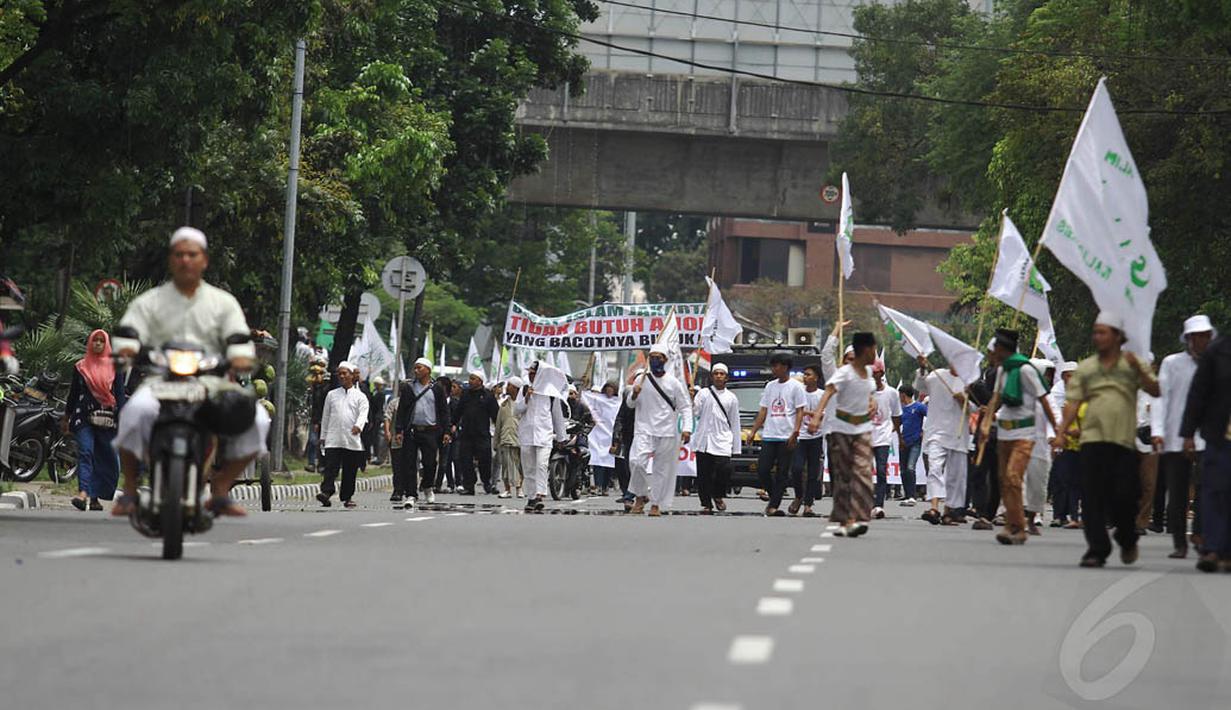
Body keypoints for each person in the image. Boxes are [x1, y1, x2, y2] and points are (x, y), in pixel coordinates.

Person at [111, 227, 268, 518]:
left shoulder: (223, 303)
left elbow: (238, 337)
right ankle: (130, 489)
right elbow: (129, 330)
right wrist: (126, 349)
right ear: (171, 260)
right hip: (161, 380)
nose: (186, 260)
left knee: (258, 419)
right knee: (133, 413)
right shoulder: (150, 301)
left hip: (212, 382)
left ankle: (221, 488)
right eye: (179, 254)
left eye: (192, 255)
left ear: (204, 260)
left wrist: (241, 358)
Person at [1055, 312, 1160, 567]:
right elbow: (1073, 402)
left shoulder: (1132, 364)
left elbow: (1156, 390)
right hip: (1092, 441)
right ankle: (1096, 549)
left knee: (1125, 496)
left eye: (1103, 332)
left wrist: (1140, 371)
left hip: (1123, 442)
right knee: (1092, 496)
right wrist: (1061, 432)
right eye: (1095, 332)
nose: (1097, 337)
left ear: (1117, 336)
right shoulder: (1088, 368)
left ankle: (1127, 537)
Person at [978, 329, 1057, 545]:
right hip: (1004, 432)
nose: (991, 354)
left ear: (1002, 350)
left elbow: (1045, 401)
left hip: (1025, 433)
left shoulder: (1026, 371)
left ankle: (1018, 527)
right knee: (1005, 481)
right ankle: (1012, 525)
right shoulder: (1002, 371)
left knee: (1013, 476)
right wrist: (986, 424)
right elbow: (995, 398)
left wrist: (1057, 430)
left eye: (994, 350)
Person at [1153, 315, 1214, 559]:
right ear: (1188, 339)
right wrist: (1157, 431)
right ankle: (1180, 542)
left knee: (1205, 489)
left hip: (1207, 438)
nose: (1203, 341)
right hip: (1175, 438)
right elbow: (1160, 398)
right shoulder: (1172, 363)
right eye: (1198, 336)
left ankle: (1199, 534)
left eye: (1206, 336)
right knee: (1177, 495)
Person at [810, 331, 878, 537]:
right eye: (874, 349)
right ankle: (845, 519)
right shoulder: (844, 373)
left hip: (863, 429)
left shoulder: (868, 373)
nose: (875, 353)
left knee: (863, 472)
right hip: (841, 429)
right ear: (865, 350)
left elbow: (870, 395)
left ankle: (859, 517)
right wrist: (816, 417)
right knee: (844, 476)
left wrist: (872, 403)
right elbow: (828, 392)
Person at [1179, 321, 1231, 572]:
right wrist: (1188, 433)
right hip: (1221, 435)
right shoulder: (1218, 351)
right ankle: (1211, 548)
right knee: (1214, 490)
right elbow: (1198, 393)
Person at [63, 329, 126, 511]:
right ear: (90, 343)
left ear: (106, 344)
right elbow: (73, 394)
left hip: (108, 418)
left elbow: (120, 395)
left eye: (101, 341)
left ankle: (95, 497)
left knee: (107, 458)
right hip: (83, 417)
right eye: (95, 341)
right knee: (86, 452)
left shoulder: (116, 367)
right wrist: (66, 417)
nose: (97, 344)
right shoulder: (80, 367)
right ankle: (83, 494)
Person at [627, 344, 693, 516]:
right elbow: (630, 404)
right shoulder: (641, 379)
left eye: (659, 357)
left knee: (661, 471)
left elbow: (685, 407)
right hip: (643, 428)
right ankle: (641, 494)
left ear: (665, 360)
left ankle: (656, 503)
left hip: (667, 431)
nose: (655, 360)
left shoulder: (674, 383)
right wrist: (634, 393)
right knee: (636, 462)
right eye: (652, 356)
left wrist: (687, 428)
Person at [746, 351, 806, 517]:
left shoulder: (796, 387)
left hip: (787, 435)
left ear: (785, 367)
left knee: (782, 472)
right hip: (770, 435)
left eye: (776, 365)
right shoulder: (770, 386)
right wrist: (753, 431)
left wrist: (795, 432)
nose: (773, 369)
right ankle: (774, 497)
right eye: (772, 365)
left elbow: (800, 411)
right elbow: (764, 410)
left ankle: (773, 506)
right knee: (763, 469)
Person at [914, 355, 969, 525]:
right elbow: (920, 386)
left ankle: (948, 512)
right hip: (936, 432)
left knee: (954, 475)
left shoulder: (968, 382)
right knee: (935, 469)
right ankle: (934, 508)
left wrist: (964, 401)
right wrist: (923, 368)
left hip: (958, 434)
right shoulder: (937, 375)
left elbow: (976, 408)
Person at [393, 358, 452, 508]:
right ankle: (411, 494)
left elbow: (444, 411)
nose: (416, 371)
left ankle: (427, 486)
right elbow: (402, 410)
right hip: (412, 430)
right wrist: (399, 430)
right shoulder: (408, 388)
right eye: (415, 368)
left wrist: (446, 431)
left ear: (428, 370)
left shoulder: (437, 388)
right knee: (409, 463)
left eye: (419, 368)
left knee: (430, 463)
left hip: (431, 431)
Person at [516, 361, 568, 512]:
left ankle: (540, 494)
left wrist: (561, 437)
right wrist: (526, 398)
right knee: (528, 467)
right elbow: (516, 411)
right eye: (530, 372)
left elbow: (557, 416)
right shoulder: (525, 389)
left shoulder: (551, 393)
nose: (531, 375)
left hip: (544, 435)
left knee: (542, 464)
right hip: (527, 435)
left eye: (533, 373)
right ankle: (531, 497)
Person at [316, 362, 368, 508]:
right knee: (330, 467)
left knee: (350, 469)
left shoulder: (360, 396)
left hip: (351, 438)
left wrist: (358, 425)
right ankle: (326, 492)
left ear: (352, 375)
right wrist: (323, 435)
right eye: (340, 373)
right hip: (333, 437)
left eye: (345, 373)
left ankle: (347, 496)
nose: (342, 376)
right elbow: (325, 416)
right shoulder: (332, 395)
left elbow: (363, 413)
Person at [692, 363, 741, 514]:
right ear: (712, 376)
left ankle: (718, 494)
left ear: (726, 377)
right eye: (716, 373)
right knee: (704, 474)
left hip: (722, 439)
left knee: (724, 469)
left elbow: (735, 422)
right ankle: (706, 503)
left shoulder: (731, 398)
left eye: (721, 374)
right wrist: (691, 398)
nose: (719, 376)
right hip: (704, 440)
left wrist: (736, 446)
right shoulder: (704, 394)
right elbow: (695, 412)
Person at [1023, 358, 1057, 536]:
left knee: (1038, 484)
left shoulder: (1049, 398)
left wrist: (1054, 436)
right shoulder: (1020, 394)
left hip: (1041, 447)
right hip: (1019, 444)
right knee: (1017, 480)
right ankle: (1016, 518)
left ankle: (1033, 516)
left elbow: (1055, 419)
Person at [789, 364, 825, 517]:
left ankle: (808, 505)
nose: (805, 377)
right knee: (796, 469)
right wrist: (811, 413)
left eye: (809, 374)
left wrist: (808, 413)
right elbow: (794, 410)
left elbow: (825, 414)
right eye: (804, 374)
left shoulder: (822, 395)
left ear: (816, 377)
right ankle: (798, 496)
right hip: (800, 436)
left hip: (816, 437)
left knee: (812, 473)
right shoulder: (798, 392)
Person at [1049, 361, 1082, 528]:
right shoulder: (1056, 393)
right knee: (1060, 479)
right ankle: (1059, 515)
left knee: (1076, 481)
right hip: (1062, 440)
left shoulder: (1082, 393)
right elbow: (1055, 416)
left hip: (1080, 443)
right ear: (1063, 376)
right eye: (1069, 375)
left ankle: (1074, 515)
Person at [455, 370, 499, 495]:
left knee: (485, 460)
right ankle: (469, 485)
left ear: (480, 381)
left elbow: (496, 415)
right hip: (466, 434)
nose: (470, 381)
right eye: (470, 378)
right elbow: (458, 412)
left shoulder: (488, 396)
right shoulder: (465, 395)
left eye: (473, 379)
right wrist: (452, 424)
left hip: (482, 434)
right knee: (465, 460)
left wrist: (498, 430)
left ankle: (486, 482)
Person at [869, 360, 903, 519]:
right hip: (865, 436)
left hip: (883, 437)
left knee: (881, 471)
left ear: (881, 373)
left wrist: (899, 436)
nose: (871, 374)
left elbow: (896, 415)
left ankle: (878, 505)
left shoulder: (891, 393)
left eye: (874, 371)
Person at [589, 381, 621, 495]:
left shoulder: (618, 403)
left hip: (611, 435)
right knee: (597, 460)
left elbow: (619, 420)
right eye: (607, 389)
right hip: (599, 435)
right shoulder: (598, 401)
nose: (609, 391)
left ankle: (605, 486)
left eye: (611, 389)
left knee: (609, 462)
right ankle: (598, 485)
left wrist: (616, 438)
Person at [495, 377, 524, 498]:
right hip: (506, 438)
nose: (507, 387)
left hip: (520, 439)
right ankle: (507, 489)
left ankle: (519, 488)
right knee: (506, 466)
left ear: (516, 388)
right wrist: (496, 441)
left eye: (510, 386)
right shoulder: (504, 404)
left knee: (519, 466)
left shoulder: (523, 403)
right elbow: (498, 424)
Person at [610, 381, 638, 509]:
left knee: (637, 465)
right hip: (627, 439)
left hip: (642, 438)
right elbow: (619, 419)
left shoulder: (645, 406)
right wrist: (616, 438)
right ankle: (628, 495)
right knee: (626, 466)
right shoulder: (625, 406)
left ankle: (636, 494)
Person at [898, 385, 926, 506]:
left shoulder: (919, 407)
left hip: (915, 442)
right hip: (904, 442)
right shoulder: (901, 410)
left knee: (910, 467)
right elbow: (896, 423)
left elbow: (930, 417)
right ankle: (907, 494)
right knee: (903, 470)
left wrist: (924, 431)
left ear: (903, 395)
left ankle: (912, 496)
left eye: (900, 395)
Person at [383, 386, 403, 504]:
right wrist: (387, 432)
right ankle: (397, 490)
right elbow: (387, 418)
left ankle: (411, 490)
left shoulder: (415, 402)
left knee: (410, 466)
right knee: (397, 466)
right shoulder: (394, 403)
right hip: (396, 440)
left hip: (412, 440)